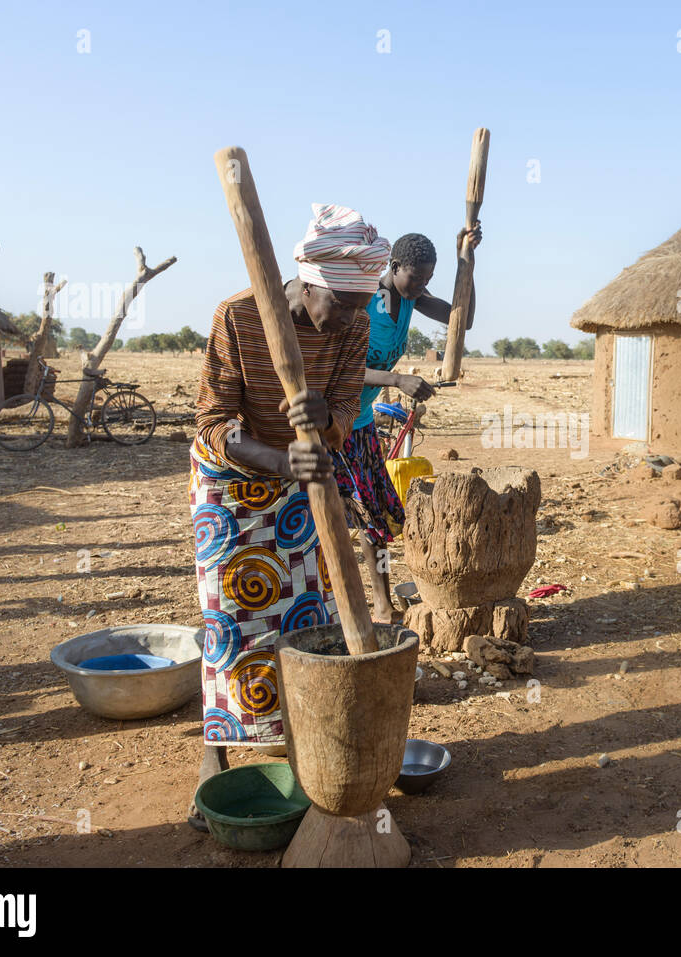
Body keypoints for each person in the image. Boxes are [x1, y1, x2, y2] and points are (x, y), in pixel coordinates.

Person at [187, 203, 390, 829]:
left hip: (302, 483)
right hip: (234, 487)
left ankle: (303, 745)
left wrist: (322, 418)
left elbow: (343, 409)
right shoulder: (239, 315)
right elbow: (213, 422)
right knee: (231, 619)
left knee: (305, 615)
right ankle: (214, 758)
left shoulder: (353, 324)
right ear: (306, 280)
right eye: (342, 303)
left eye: (363, 306)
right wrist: (279, 460)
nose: (352, 319)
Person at [334, 226, 480, 621]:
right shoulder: (366, 302)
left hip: (361, 421)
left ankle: (381, 605)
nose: (420, 286)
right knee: (329, 518)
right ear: (394, 266)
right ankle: (334, 606)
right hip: (332, 421)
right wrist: (397, 380)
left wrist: (465, 260)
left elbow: (460, 320)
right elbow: (341, 369)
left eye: (427, 280)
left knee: (375, 518)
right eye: (415, 278)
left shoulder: (411, 300)